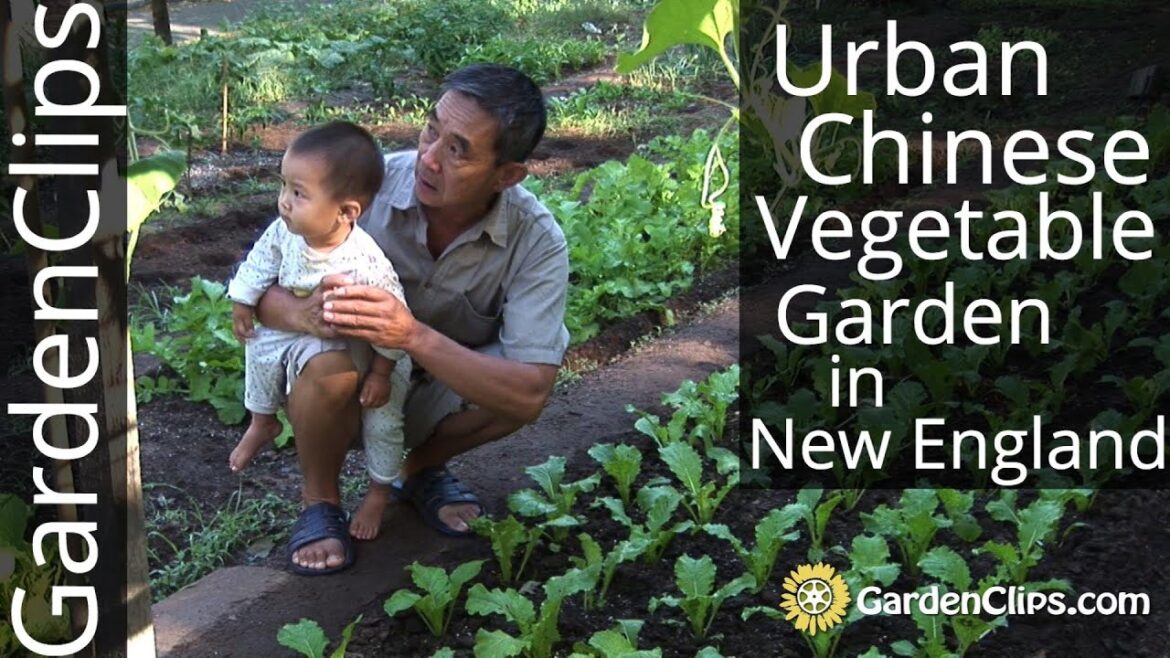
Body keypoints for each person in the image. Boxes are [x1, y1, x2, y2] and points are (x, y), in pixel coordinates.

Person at [254, 63, 569, 574]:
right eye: (431, 130)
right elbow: (254, 290)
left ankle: (410, 469)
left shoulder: (535, 240)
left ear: (506, 176)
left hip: (433, 390)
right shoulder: (364, 186)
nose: (429, 157)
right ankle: (320, 503)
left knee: (515, 390)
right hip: (349, 383)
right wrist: (303, 314)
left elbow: (531, 391)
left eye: (457, 150)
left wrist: (410, 335)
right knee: (321, 356)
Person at [226, 122, 414, 570]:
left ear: (346, 212)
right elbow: (261, 259)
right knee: (258, 345)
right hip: (301, 334)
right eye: (284, 187)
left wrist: (382, 373)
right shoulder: (285, 231)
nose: (284, 202)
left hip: (366, 352)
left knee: (384, 424)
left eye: (299, 193)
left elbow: (394, 320)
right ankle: (262, 419)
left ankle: (377, 491)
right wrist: (242, 298)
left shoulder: (365, 263)